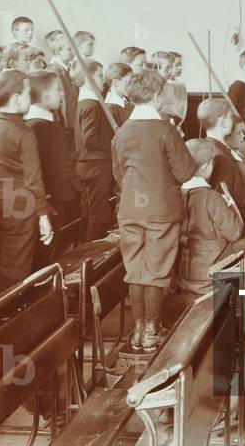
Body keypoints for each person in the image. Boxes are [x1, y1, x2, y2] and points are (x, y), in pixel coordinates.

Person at [112, 70, 197, 352]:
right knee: (156, 271)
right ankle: (152, 330)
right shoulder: (165, 130)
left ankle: (138, 331)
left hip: (130, 209)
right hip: (161, 210)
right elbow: (185, 172)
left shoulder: (122, 131)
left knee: (135, 270)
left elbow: (118, 173)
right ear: (157, 95)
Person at [0, 70, 53, 292]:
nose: (31, 97)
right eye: (28, 93)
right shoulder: (23, 132)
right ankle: (6, 311)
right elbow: (33, 180)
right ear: (17, 98)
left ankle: (4, 307)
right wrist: (43, 216)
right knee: (17, 270)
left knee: (6, 263)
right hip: (19, 204)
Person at [176, 138, 243, 297]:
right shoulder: (212, 197)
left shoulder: (178, 194)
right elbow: (234, 232)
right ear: (206, 167)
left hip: (185, 273)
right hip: (209, 277)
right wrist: (229, 204)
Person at [24, 71, 78, 253]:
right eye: (57, 90)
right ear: (45, 95)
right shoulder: (38, 126)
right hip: (50, 200)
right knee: (46, 249)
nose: (62, 94)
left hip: (58, 196)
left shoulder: (48, 123)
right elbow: (36, 168)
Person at [75, 60, 116, 241]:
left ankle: (83, 248)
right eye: (99, 76)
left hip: (88, 165)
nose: (103, 80)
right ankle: (91, 251)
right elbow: (89, 138)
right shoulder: (92, 104)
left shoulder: (85, 102)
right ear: (88, 78)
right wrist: (113, 144)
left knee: (88, 213)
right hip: (96, 165)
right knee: (98, 215)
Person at [197, 97, 245, 220]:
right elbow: (224, 204)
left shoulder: (210, 148)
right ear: (223, 121)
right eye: (230, 117)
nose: (232, 120)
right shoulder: (221, 157)